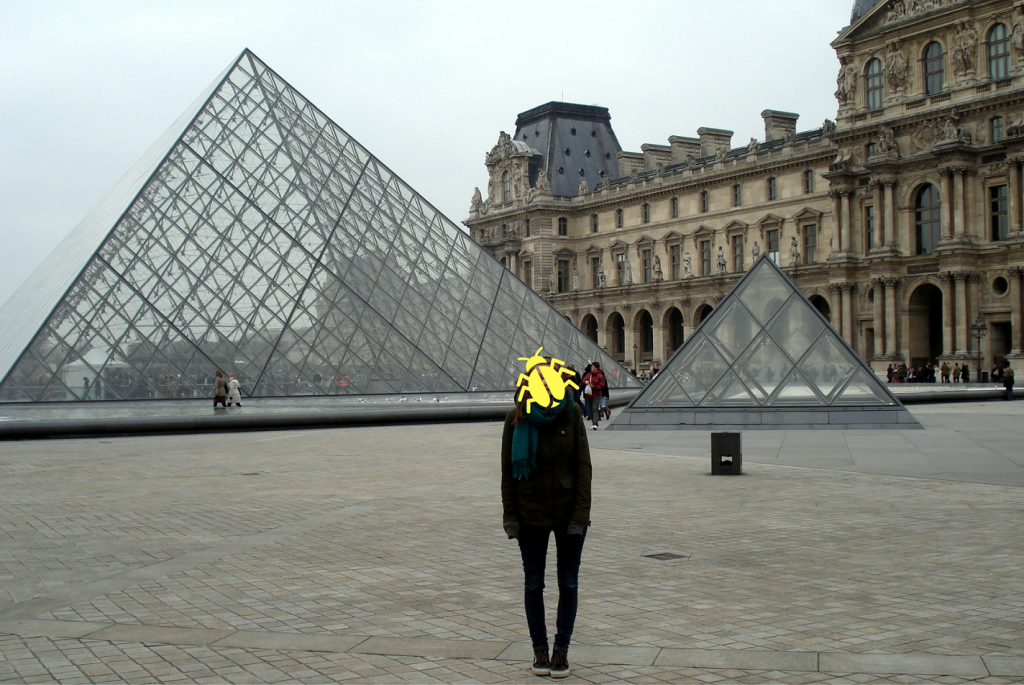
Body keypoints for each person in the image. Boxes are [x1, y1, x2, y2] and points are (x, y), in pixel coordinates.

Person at [501, 377, 592, 679]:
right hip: (530, 512)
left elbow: (583, 466)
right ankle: (539, 649)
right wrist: (510, 516)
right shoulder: (515, 416)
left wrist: (581, 514)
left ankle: (561, 650)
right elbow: (507, 473)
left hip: (568, 512)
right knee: (533, 584)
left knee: (568, 584)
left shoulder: (571, 412)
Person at [582, 363, 607, 430]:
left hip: (596, 395)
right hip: (588, 395)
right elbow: (583, 380)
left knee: (595, 409)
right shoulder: (589, 375)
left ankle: (595, 423)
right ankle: (594, 422)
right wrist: (585, 382)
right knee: (591, 409)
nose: (591, 368)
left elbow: (602, 385)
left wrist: (594, 386)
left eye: (592, 367)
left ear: (596, 368)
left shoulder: (600, 376)